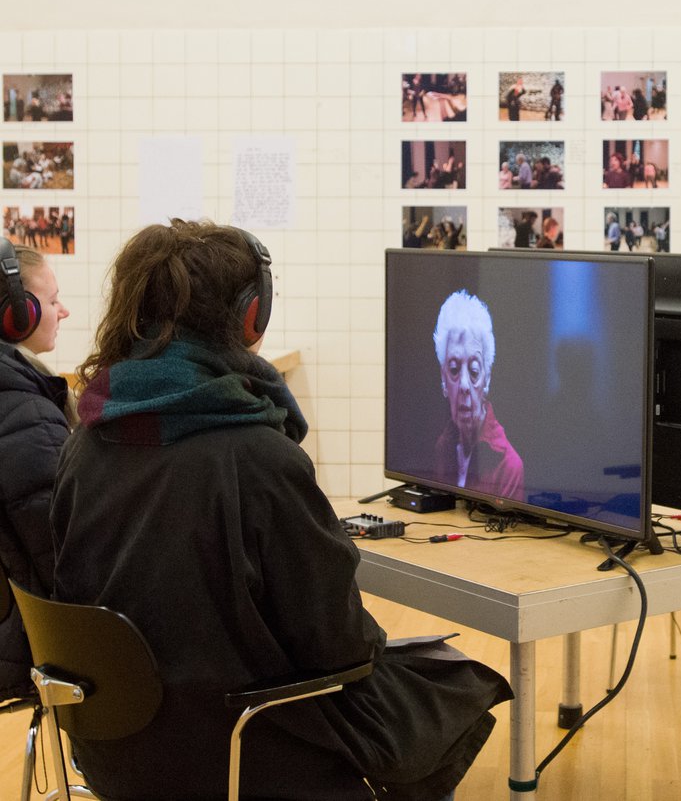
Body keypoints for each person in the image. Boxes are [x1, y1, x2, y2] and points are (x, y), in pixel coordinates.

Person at [49, 220, 510, 799]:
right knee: (455, 685)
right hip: (240, 745)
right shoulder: (259, 459)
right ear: (251, 317)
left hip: (113, 752)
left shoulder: (84, 441)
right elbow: (337, 643)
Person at [0, 242, 72, 700]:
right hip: (26, 647)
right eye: (50, 301)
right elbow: (63, 552)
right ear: (16, 315)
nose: (63, 311)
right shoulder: (22, 414)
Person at [433, 290, 525, 499]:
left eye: (474, 371)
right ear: (443, 379)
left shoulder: (509, 466)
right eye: (454, 369)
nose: (464, 385)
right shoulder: (443, 446)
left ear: (487, 378)